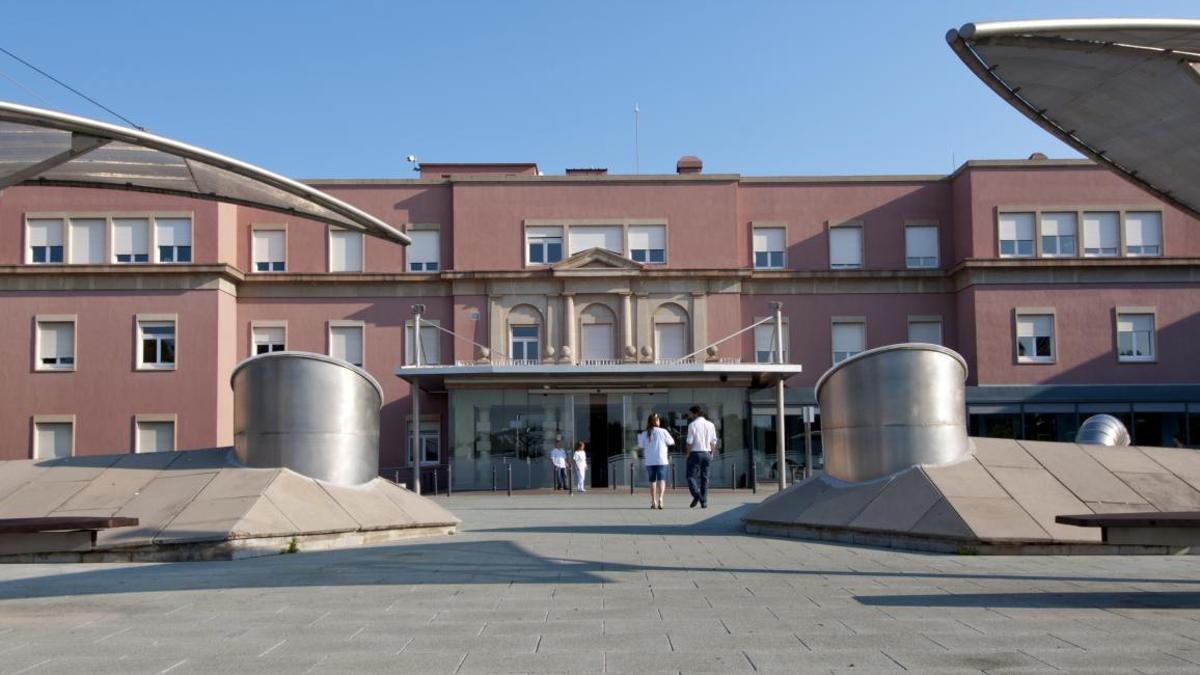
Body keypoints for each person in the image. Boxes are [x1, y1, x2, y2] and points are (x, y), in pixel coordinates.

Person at [637, 413, 674, 509]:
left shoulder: (645, 433)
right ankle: (660, 498)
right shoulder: (663, 431)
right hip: (661, 460)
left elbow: (641, 446)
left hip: (650, 461)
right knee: (662, 480)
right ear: (657, 421)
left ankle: (653, 500)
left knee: (652, 481)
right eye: (658, 420)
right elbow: (671, 442)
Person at [685, 405, 717, 508]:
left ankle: (697, 495)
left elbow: (689, 442)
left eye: (690, 413)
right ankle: (704, 502)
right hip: (707, 453)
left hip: (695, 453)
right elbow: (713, 441)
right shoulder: (710, 425)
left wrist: (688, 454)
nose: (689, 415)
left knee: (690, 476)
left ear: (695, 413)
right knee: (705, 478)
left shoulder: (692, 425)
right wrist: (712, 453)